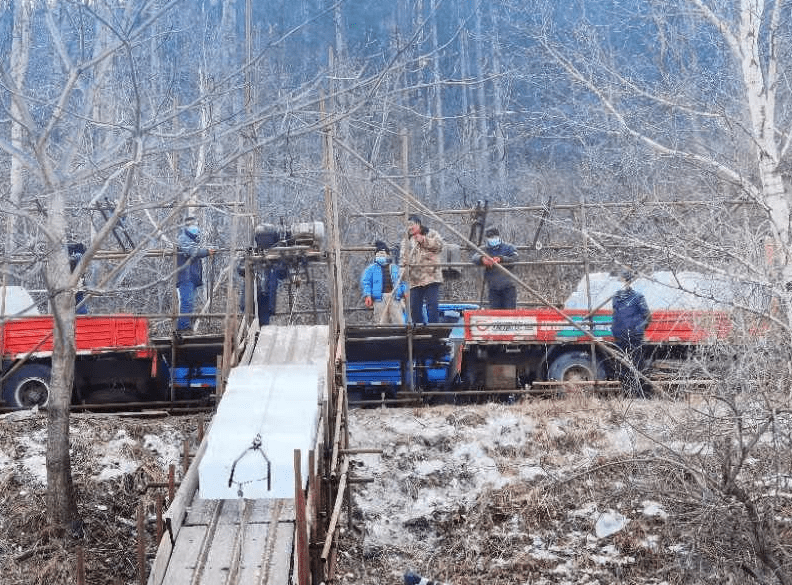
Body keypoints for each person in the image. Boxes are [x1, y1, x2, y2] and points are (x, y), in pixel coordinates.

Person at [611, 270, 651, 397]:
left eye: (623, 281)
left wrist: (638, 330)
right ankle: (628, 393)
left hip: (633, 336)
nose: (621, 284)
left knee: (636, 365)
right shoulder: (616, 297)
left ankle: (639, 394)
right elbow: (615, 314)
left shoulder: (637, 297)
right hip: (620, 336)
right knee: (623, 365)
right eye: (620, 281)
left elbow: (647, 316)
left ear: (629, 282)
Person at [400, 214, 444, 324]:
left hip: (431, 276)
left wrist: (424, 240)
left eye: (411, 225)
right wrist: (403, 280)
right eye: (407, 225)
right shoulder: (406, 241)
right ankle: (419, 329)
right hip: (414, 279)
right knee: (414, 307)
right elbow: (403, 261)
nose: (409, 227)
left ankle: (434, 329)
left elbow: (439, 245)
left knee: (432, 305)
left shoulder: (431, 233)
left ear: (418, 224)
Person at [176, 218, 214, 331]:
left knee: (190, 302)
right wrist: (207, 252)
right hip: (185, 276)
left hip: (191, 276)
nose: (196, 228)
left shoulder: (192, 240)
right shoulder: (183, 238)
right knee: (186, 302)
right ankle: (182, 327)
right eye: (193, 225)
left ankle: (187, 326)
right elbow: (193, 252)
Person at [360, 241, 407, 324]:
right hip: (379, 299)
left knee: (399, 321)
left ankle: (399, 336)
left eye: (383, 253)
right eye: (378, 254)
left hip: (395, 297)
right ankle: (382, 336)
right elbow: (366, 283)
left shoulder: (395, 268)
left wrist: (405, 291)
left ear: (387, 255)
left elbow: (402, 281)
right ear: (375, 255)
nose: (380, 256)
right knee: (381, 322)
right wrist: (368, 295)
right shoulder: (370, 269)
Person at [471, 227, 518, 309]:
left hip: (508, 286)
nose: (492, 239)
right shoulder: (484, 249)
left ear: (499, 237)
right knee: (495, 314)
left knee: (510, 314)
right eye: (490, 238)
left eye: (494, 237)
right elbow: (474, 257)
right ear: (487, 239)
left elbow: (515, 259)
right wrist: (482, 259)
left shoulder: (508, 247)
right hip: (493, 288)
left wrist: (501, 259)